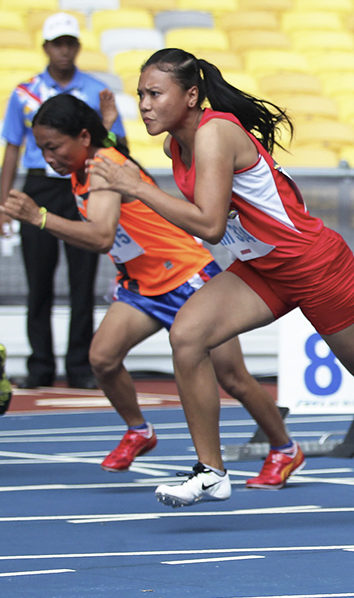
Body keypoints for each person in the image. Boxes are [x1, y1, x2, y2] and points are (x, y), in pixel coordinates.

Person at [87, 48, 354, 511]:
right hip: (262, 267)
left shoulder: (214, 134)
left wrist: (136, 188)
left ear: (190, 96)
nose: (144, 103)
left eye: (154, 93)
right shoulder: (174, 145)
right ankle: (211, 472)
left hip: (313, 264)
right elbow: (213, 219)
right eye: (140, 94)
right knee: (187, 336)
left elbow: (207, 225)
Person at [0, 93, 303, 486]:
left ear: (82, 138)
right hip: (143, 286)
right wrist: (106, 120)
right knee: (103, 358)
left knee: (233, 377)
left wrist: (39, 217)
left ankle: (284, 448)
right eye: (41, 149)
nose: (47, 158)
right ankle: (139, 430)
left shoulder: (104, 169)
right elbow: (104, 142)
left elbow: (101, 237)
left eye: (53, 147)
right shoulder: (93, 155)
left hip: (188, 278)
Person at [0, 13, 122, 390]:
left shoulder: (96, 91)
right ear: (46, 48)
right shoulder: (24, 93)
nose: (64, 50)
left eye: (70, 42)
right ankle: (40, 367)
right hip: (38, 186)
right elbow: (13, 150)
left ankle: (81, 366)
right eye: (57, 43)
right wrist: (3, 201)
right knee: (39, 281)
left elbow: (117, 147)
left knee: (82, 280)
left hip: (81, 185)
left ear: (77, 47)